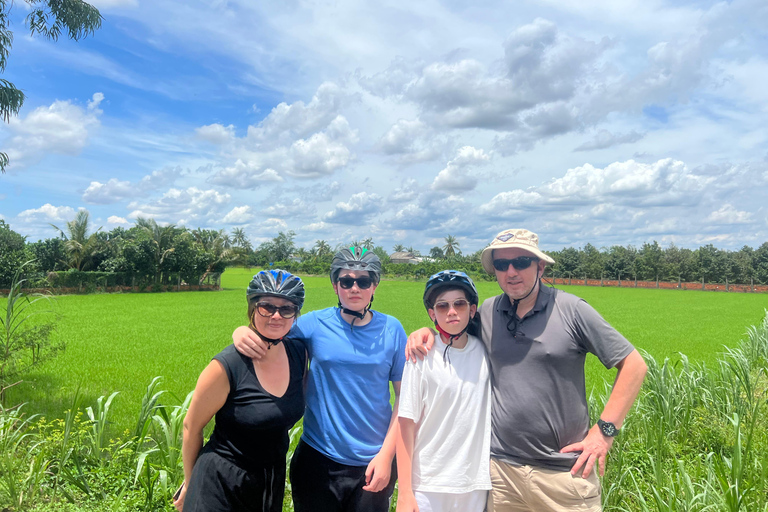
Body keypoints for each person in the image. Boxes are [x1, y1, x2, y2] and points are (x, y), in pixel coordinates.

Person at [407, 229, 648, 512]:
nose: (511, 271)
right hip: (500, 475)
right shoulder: (487, 312)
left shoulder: (571, 310)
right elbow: (453, 328)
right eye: (501, 264)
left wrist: (604, 432)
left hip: (563, 477)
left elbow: (633, 364)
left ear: (540, 266)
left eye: (521, 261)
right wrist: (425, 332)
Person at [233, 246, 407, 512]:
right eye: (346, 281)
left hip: (373, 461)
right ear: (335, 286)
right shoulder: (313, 324)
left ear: (375, 286)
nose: (354, 288)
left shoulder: (392, 329)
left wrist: (386, 456)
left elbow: (404, 399)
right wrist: (241, 332)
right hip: (318, 458)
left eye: (363, 281)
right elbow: (271, 332)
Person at [173, 269, 307, 512]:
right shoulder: (228, 365)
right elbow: (191, 426)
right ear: (252, 308)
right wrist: (190, 483)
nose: (276, 316)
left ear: (295, 314)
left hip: (268, 482)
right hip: (220, 481)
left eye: (286, 308)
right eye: (266, 306)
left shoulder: (299, 353)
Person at [396, 270, 492, 512]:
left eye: (459, 304)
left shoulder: (486, 352)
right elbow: (405, 425)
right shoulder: (420, 356)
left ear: (472, 310)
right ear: (432, 314)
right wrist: (405, 493)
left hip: (474, 484)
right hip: (428, 485)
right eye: (442, 306)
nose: (451, 311)